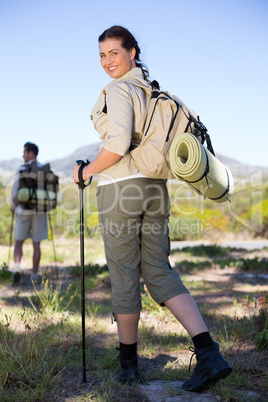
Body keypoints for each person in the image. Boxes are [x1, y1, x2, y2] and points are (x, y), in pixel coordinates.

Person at [72, 25, 232, 392]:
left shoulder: (120, 89)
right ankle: (209, 354)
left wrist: (86, 171)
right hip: (156, 190)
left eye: (114, 52)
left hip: (120, 191)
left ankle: (128, 367)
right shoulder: (156, 91)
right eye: (101, 55)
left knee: (125, 276)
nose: (107, 61)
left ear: (131, 51)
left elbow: (117, 142)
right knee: (159, 270)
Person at [10, 142, 48, 285]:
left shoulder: (21, 169)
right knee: (36, 244)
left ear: (31, 153)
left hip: (22, 210)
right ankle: (34, 274)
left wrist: (13, 207)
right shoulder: (43, 169)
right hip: (39, 211)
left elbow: (15, 191)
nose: (23, 155)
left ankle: (17, 268)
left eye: (24, 152)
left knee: (19, 241)